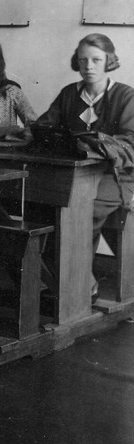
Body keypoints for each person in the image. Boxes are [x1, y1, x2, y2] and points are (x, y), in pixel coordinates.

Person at [36, 34, 134, 300]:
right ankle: (61, 278)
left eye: (96, 60)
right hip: (77, 175)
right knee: (48, 205)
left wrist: (93, 143)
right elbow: (46, 126)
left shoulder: (125, 95)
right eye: (82, 60)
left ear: (109, 61)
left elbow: (131, 142)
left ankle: (80, 279)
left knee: (81, 211)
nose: (88, 66)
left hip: (115, 175)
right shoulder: (70, 93)